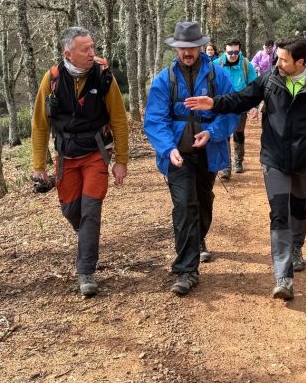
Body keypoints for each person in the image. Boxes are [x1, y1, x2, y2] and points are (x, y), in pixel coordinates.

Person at [184, 37, 306, 300]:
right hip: (274, 157)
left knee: (298, 205)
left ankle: (296, 247)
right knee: (279, 213)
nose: (277, 62)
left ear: (300, 62)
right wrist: (213, 102)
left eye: (283, 59)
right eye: (277, 58)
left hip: (304, 159)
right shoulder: (269, 80)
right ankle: (283, 277)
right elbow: (242, 99)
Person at [31, 27, 130, 297]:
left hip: (97, 152)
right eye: (85, 49)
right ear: (68, 54)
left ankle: (86, 271)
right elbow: (40, 124)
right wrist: (39, 166)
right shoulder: (51, 79)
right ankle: (87, 233)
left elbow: (120, 119)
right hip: (65, 155)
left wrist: (121, 159)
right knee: (71, 210)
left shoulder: (104, 75)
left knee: (90, 209)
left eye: (93, 47)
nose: (92, 53)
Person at [144, 22, 239, 296]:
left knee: (203, 201)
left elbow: (231, 110)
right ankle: (186, 270)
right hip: (178, 156)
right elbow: (155, 119)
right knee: (185, 206)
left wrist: (212, 132)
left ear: (199, 47)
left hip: (207, 153)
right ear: (176, 48)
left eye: (192, 47)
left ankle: (197, 239)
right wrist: (167, 148)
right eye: (182, 47)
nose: (187, 52)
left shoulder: (217, 75)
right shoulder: (165, 79)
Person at [213, 39, 258, 179]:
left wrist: (254, 106)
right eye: (230, 52)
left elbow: (255, 87)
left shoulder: (246, 64)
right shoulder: (215, 65)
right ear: (224, 51)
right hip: (222, 105)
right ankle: (226, 166)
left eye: (236, 52)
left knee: (238, 133)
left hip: (240, 105)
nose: (233, 55)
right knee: (224, 135)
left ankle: (238, 161)